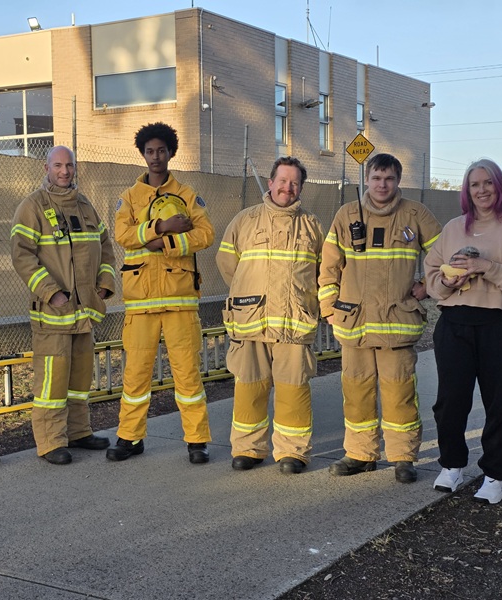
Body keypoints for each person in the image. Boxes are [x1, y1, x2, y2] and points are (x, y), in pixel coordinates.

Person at [424, 159, 502, 504]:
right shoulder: (452, 229)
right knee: (450, 402)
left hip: (501, 324)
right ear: (466, 190)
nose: (481, 190)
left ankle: (495, 475)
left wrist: (486, 267)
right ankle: (452, 465)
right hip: (455, 323)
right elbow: (432, 273)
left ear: (499, 187)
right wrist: (448, 280)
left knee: (499, 403)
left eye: (488, 183)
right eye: (474, 184)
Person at [318, 153, 442, 483]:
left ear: (398, 181)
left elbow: (443, 253)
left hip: (397, 324)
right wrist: (329, 308)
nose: (382, 185)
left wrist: (427, 286)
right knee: (356, 392)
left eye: (388, 179)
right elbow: (328, 266)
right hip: (354, 324)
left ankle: (403, 457)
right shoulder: (347, 215)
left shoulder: (415, 214)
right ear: (368, 178)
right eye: (376, 178)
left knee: (399, 393)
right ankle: (360, 454)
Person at [106, 122, 215, 464]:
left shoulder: (186, 194)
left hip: (180, 303)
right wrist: (162, 226)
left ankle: (197, 441)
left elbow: (206, 234)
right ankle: (130, 438)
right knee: (135, 375)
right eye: (150, 151)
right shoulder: (129, 198)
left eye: (161, 151)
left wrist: (164, 244)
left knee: (187, 375)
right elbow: (121, 234)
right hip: (140, 305)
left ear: (171, 153)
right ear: (143, 154)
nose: (156, 157)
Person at [216, 156, 324, 474]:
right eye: (282, 180)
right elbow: (228, 266)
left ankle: (292, 452)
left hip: (295, 323)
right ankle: (249, 449)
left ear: (300, 187)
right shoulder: (244, 221)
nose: (287, 188)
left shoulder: (313, 226)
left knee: (293, 390)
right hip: (251, 321)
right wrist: (249, 291)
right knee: (250, 387)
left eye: (294, 183)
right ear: (271, 181)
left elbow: (325, 272)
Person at [10, 145, 117, 465]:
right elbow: (21, 256)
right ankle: (51, 441)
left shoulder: (85, 206)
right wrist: (50, 292)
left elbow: (105, 247)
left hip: (84, 313)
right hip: (53, 314)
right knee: (53, 382)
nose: (64, 171)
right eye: (57, 165)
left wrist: (104, 286)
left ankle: (78, 431)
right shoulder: (32, 207)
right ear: (46, 169)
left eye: (69, 165)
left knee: (80, 378)